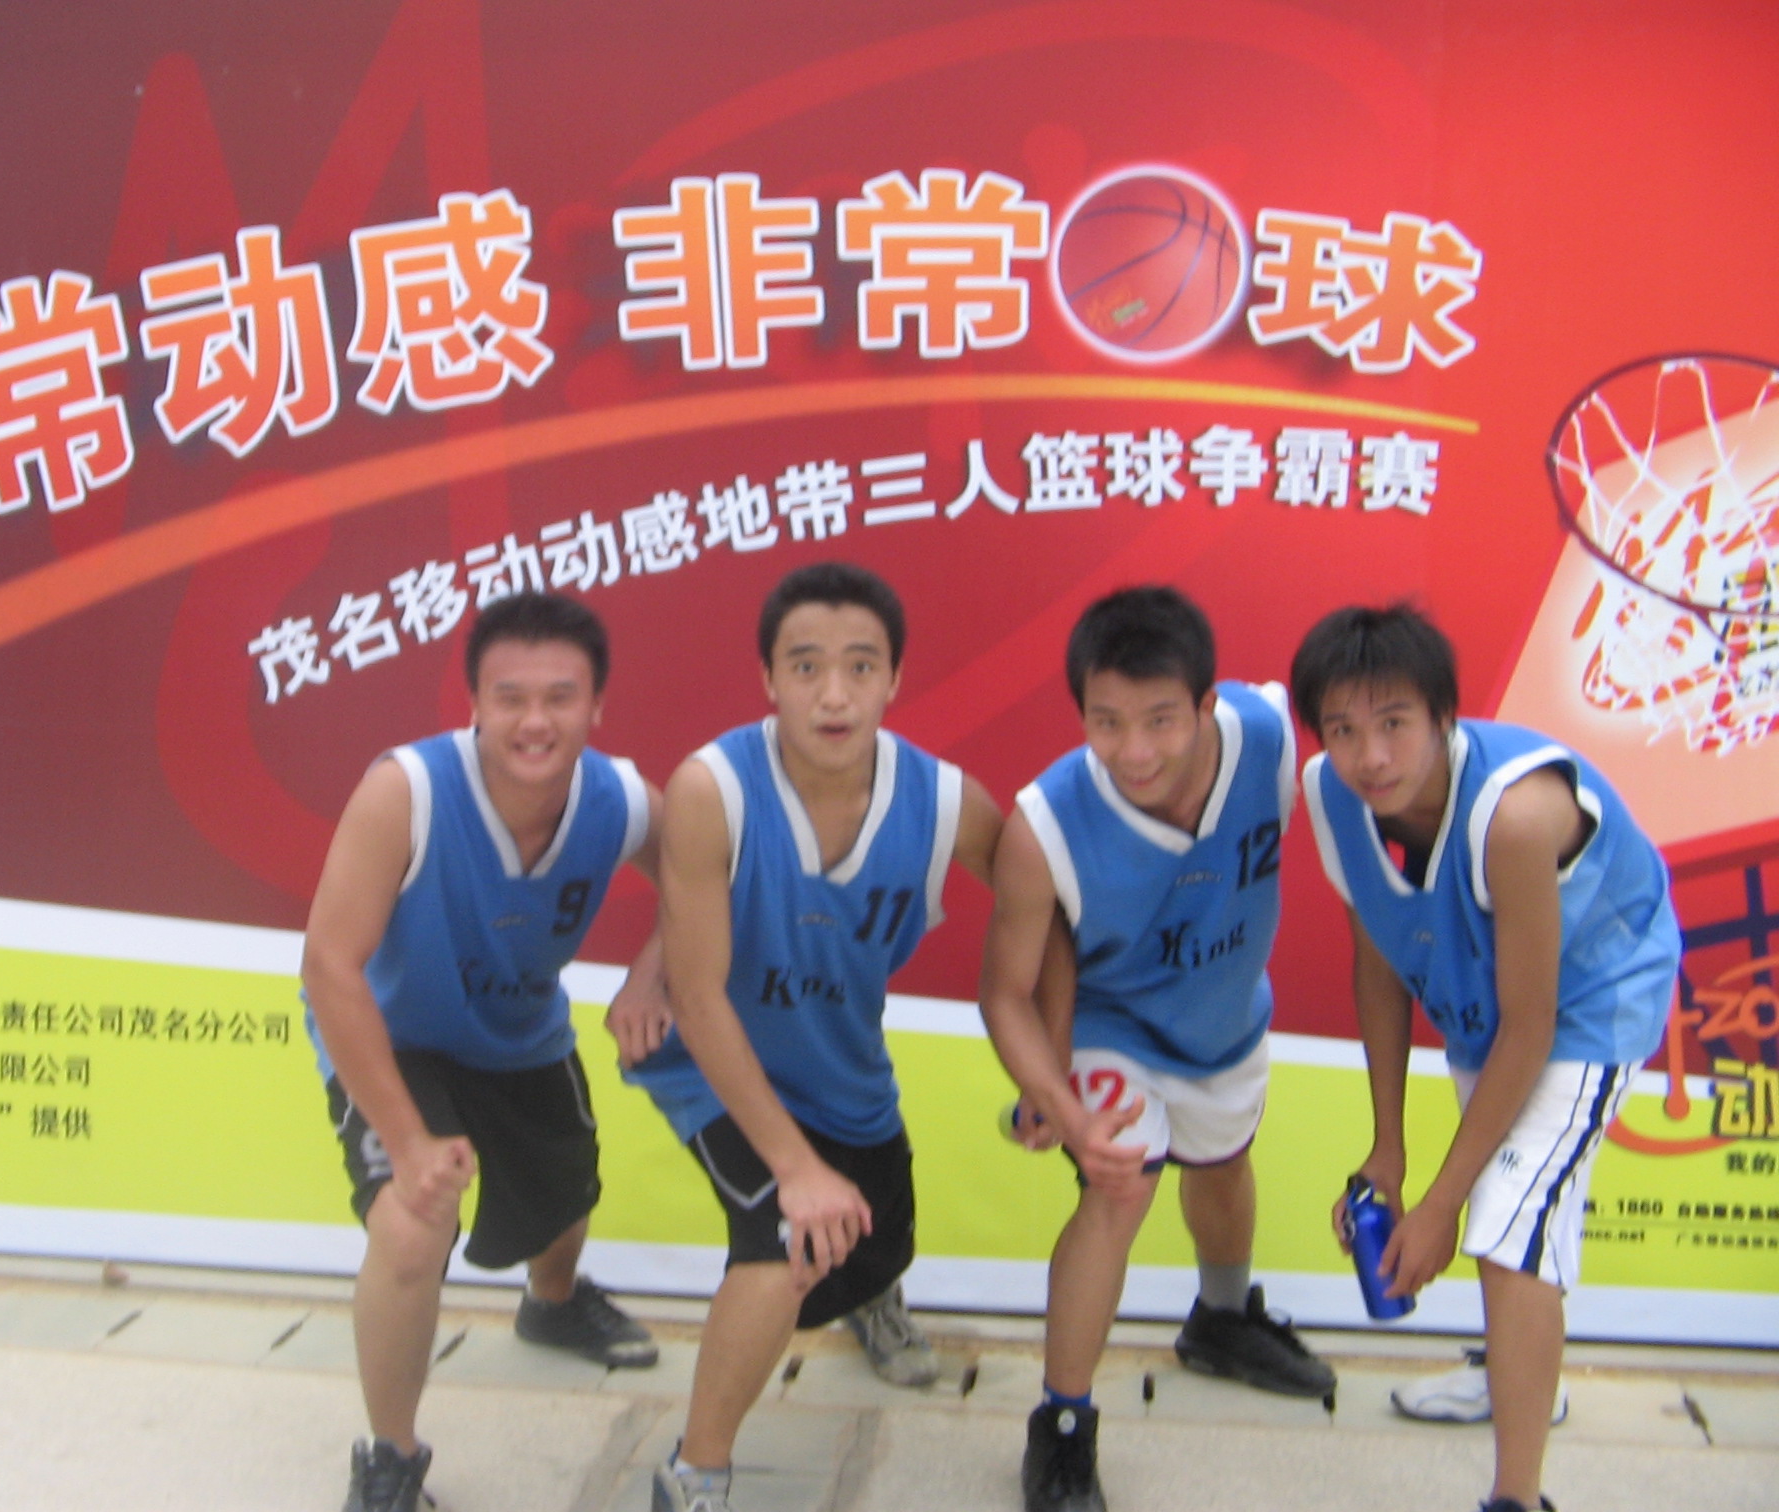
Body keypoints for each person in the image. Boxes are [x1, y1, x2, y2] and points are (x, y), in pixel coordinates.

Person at [627, 562, 1001, 1512]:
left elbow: (1043, 911)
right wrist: (794, 1166)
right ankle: (695, 1473)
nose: (834, 694)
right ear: (768, 678)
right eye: (806, 667)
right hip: (713, 1063)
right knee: (786, 1238)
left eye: (859, 666)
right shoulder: (713, 789)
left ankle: (872, 1294)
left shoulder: (946, 802)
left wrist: (1058, 1064)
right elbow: (698, 995)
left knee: (877, 1242)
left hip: (843, 1065)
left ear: (894, 678)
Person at [1290, 604, 1678, 1512]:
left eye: (1394, 723)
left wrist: (1438, 1207)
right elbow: (1378, 962)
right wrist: (1388, 1151)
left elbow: (1533, 1028)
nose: (1370, 756)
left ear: (1444, 716)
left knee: (1507, 1228)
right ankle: (1514, 1371)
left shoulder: (1516, 815)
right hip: (1486, 1001)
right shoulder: (1329, 795)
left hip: (1589, 1006)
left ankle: (1517, 1498)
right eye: (1343, 730)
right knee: (1517, 1220)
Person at [301, 592, 667, 1512]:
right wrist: (408, 1140)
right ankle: (389, 1458)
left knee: (567, 1193)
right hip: (392, 1034)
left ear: (597, 706)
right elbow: (328, 968)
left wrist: (651, 978)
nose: (535, 721)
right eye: (511, 697)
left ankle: (553, 1303)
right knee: (412, 1223)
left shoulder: (622, 799)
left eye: (560, 697)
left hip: (519, 1031)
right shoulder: (407, 791)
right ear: (473, 703)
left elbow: (707, 882)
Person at [979, 586, 1335, 1512]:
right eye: (1106, 722)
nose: (1133, 750)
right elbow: (1005, 995)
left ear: (1207, 704)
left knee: (1223, 1165)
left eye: (1160, 721)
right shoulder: (1045, 824)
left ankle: (1221, 1318)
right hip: (1112, 1026)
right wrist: (1058, 1102)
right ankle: (1062, 1426)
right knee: (1120, 1186)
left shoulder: (1268, 740)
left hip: (1224, 1018)